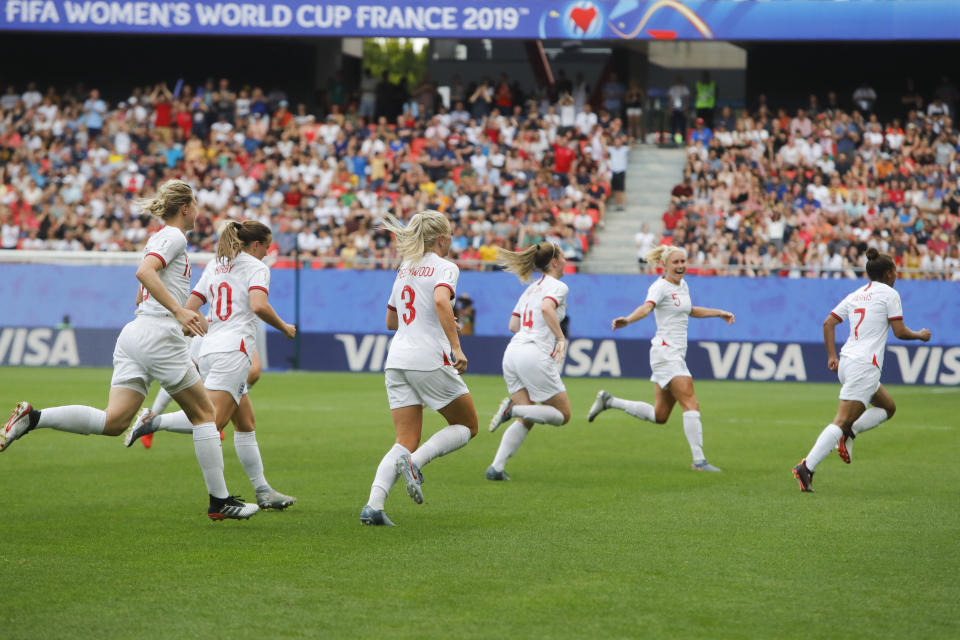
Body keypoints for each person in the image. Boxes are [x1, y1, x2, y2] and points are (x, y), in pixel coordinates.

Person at [1, 180, 258, 520]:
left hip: (136, 334)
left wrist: (167, 302)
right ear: (185, 208)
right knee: (206, 416)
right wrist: (179, 310)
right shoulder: (175, 236)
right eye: (194, 204)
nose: (198, 210)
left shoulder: (159, 238)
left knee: (114, 421)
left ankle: (34, 417)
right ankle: (219, 501)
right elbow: (144, 271)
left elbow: (147, 280)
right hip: (160, 337)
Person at [125, 220, 298, 510]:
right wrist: (283, 327)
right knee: (211, 422)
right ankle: (153, 422)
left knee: (245, 423)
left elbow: (191, 308)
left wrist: (215, 328)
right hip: (233, 352)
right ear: (255, 244)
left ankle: (263, 490)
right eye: (266, 246)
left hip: (210, 347)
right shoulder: (257, 268)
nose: (268, 253)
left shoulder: (216, 265)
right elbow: (258, 305)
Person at [360, 210, 479, 526]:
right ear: (442, 238)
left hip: (397, 359)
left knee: (404, 439)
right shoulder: (445, 267)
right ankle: (414, 464)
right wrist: (456, 345)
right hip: (427, 358)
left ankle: (374, 505)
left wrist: (431, 318)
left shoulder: (405, 268)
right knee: (467, 426)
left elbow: (391, 320)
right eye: (451, 234)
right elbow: (441, 301)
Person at [792, 249, 931, 492]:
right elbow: (899, 331)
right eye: (895, 271)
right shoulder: (890, 294)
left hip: (847, 362)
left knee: (888, 407)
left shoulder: (857, 294)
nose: (896, 275)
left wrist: (832, 356)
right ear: (888, 273)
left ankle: (851, 432)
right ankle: (807, 467)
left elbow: (828, 323)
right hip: (865, 365)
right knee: (841, 420)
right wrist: (920, 335)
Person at [587, 245, 734, 471]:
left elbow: (688, 309)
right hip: (666, 353)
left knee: (660, 415)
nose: (681, 266)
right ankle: (699, 461)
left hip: (672, 354)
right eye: (675, 262)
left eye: (683, 261)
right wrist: (628, 320)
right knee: (691, 403)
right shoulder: (659, 287)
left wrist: (719, 312)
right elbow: (647, 308)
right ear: (664, 266)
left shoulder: (683, 285)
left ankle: (609, 401)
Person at [486, 243, 571, 481]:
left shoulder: (530, 289)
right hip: (533, 353)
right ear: (554, 262)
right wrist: (560, 338)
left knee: (529, 415)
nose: (566, 261)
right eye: (563, 257)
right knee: (562, 415)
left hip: (512, 352)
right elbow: (546, 308)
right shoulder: (559, 286)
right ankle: (511, 409)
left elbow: (513, 326)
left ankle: (496, 468)